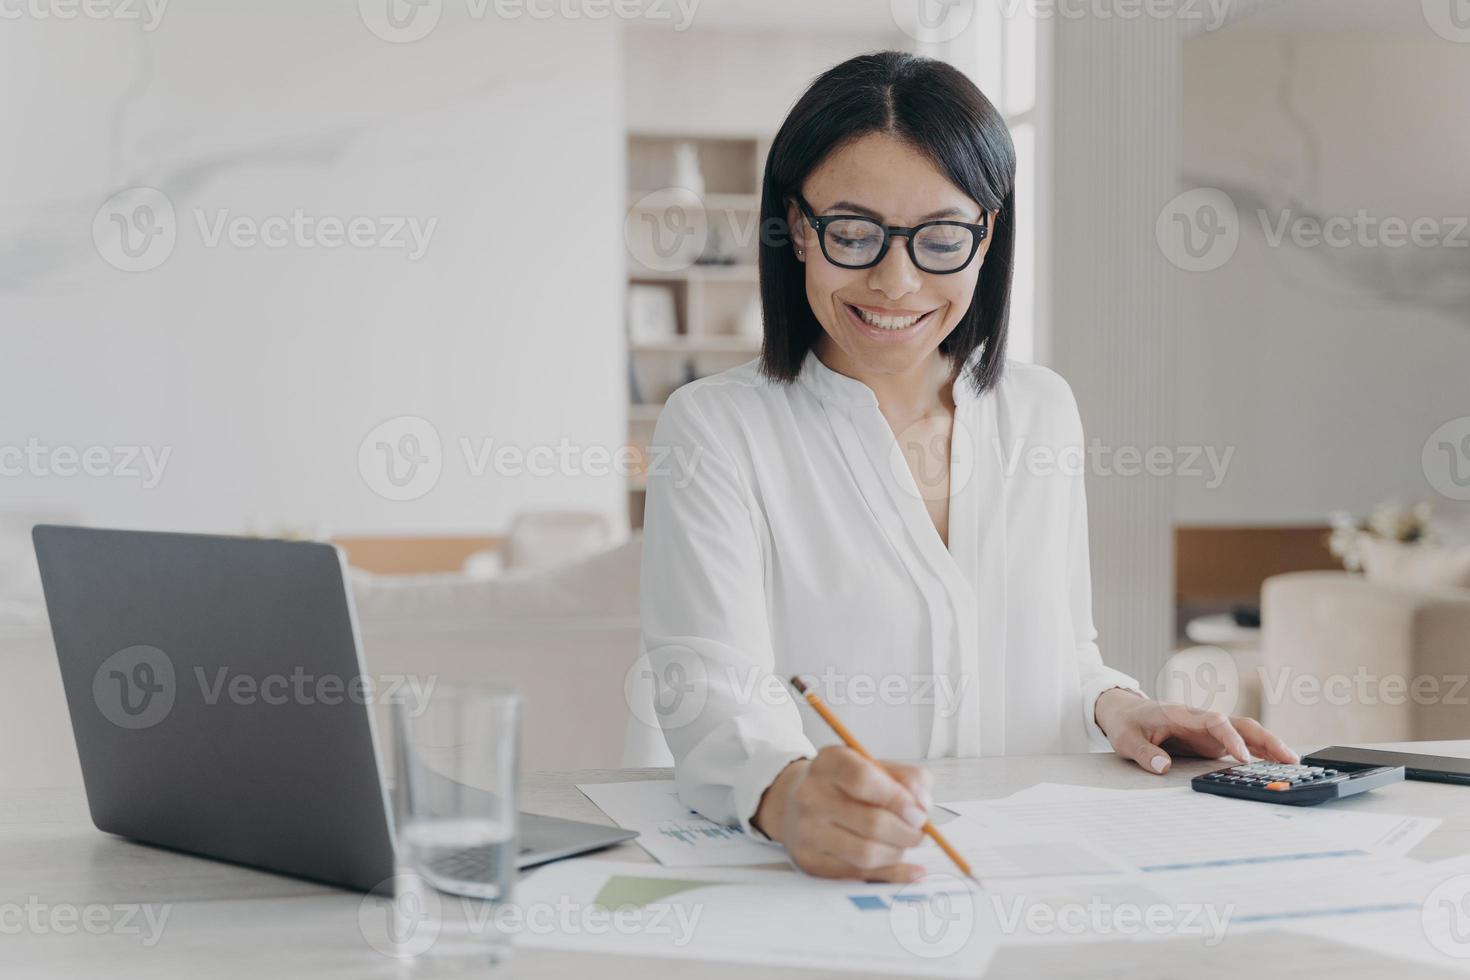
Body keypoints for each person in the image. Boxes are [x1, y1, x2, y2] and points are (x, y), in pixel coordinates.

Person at [639, 50, 1296, 884]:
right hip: (829, 884)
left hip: (1041, 877)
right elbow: (711, 693)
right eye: (852, 233)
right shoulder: (718, 429)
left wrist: (1123, 708)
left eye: (942, 237)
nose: (897, 280)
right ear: (797, 228)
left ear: (987, 235)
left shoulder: (1043, 410)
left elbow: (1067, 649)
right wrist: (788, 793)